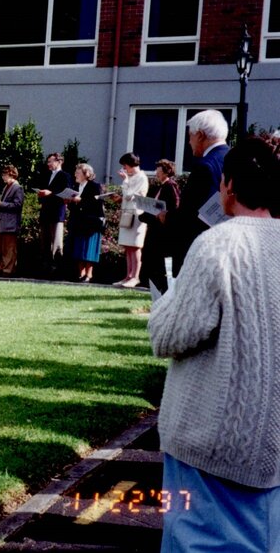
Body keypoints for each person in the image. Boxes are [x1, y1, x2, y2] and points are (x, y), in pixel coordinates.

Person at [148, 137, 280, 552]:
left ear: (229, 185)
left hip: (210, 446)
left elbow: (169, 335)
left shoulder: (218, 244)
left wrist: (168, 298)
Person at [162, 109, 229, 275]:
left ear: (199, 135)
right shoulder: (235, 158)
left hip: (201, 251)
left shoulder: (204, 166)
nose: (189, 142)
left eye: (190, 136)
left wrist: (167, 217)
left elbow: (191, 215)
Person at [138, 159, 180, 294]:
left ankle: (162, 286)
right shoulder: (159, 187)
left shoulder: (171, 186)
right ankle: (152, 284)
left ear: (166, 171)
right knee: (150, 257)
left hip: (163, 231)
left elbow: (174, 206)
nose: (156, 173)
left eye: (159, 170)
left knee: (160, 259)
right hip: (155, 228)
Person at [112, 153, 149, 288]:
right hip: (127, 213)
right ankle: (128, 276)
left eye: (125, 166)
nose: (124, 168)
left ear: (131, 165)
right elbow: (126, 196)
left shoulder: (141, 178)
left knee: (135, 246)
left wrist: (125, 181)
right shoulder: (132, 177)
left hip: (136, 215)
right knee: (128, 247)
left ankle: (135, 276)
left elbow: (130, 196)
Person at [65, 163, 104, 283]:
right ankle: (80, 273)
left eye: (78, 172)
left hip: (90, 223)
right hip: (77, 222)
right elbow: (74, 206)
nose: (75, 174)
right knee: (78, 248)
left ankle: (89, 274)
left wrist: (81, 201)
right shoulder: (75, 187)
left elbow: (97, 204)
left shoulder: (95, 186)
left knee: (89, 249)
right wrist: (70, 201)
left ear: (86, 174)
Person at [36, 152, 72, 278]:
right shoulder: (47, 176)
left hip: (56, 213)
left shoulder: (65, 176)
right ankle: (46, 268)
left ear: (59, 161)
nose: (49, 164)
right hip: (46, 212)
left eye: (51, 161)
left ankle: (57, 270)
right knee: (45, 242)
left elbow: (66, 193)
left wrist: (49, 193)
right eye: (48, 161)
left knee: (56, 243)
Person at [0, 164, 25, 277]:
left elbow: (17, 205)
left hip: (11, 224)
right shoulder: (6, 187)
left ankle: (8, 270)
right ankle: (1, 268)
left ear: (11, 174)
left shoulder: (18, 188)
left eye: (4, 174)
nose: (3, 177)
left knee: (9, 248)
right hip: (2, 222)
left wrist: (1, 203)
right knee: (1, 248)